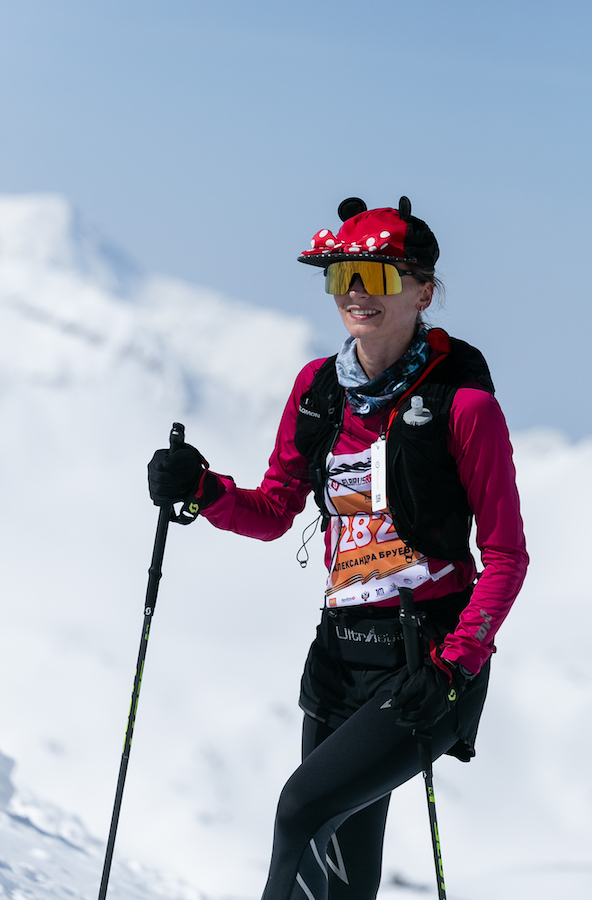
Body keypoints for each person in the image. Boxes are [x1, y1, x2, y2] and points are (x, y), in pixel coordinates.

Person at [148, 196, 528, 900]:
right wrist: (200, 490)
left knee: (300, 811)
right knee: (338, 874)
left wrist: (454, 665)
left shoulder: (465, 406)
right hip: (338, 658)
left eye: (376, 276)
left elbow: (507, 557)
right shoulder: (318, 391)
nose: (356, 292)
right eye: (340, 276)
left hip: (426, 664)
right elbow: (273, 510)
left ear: (423, 292)